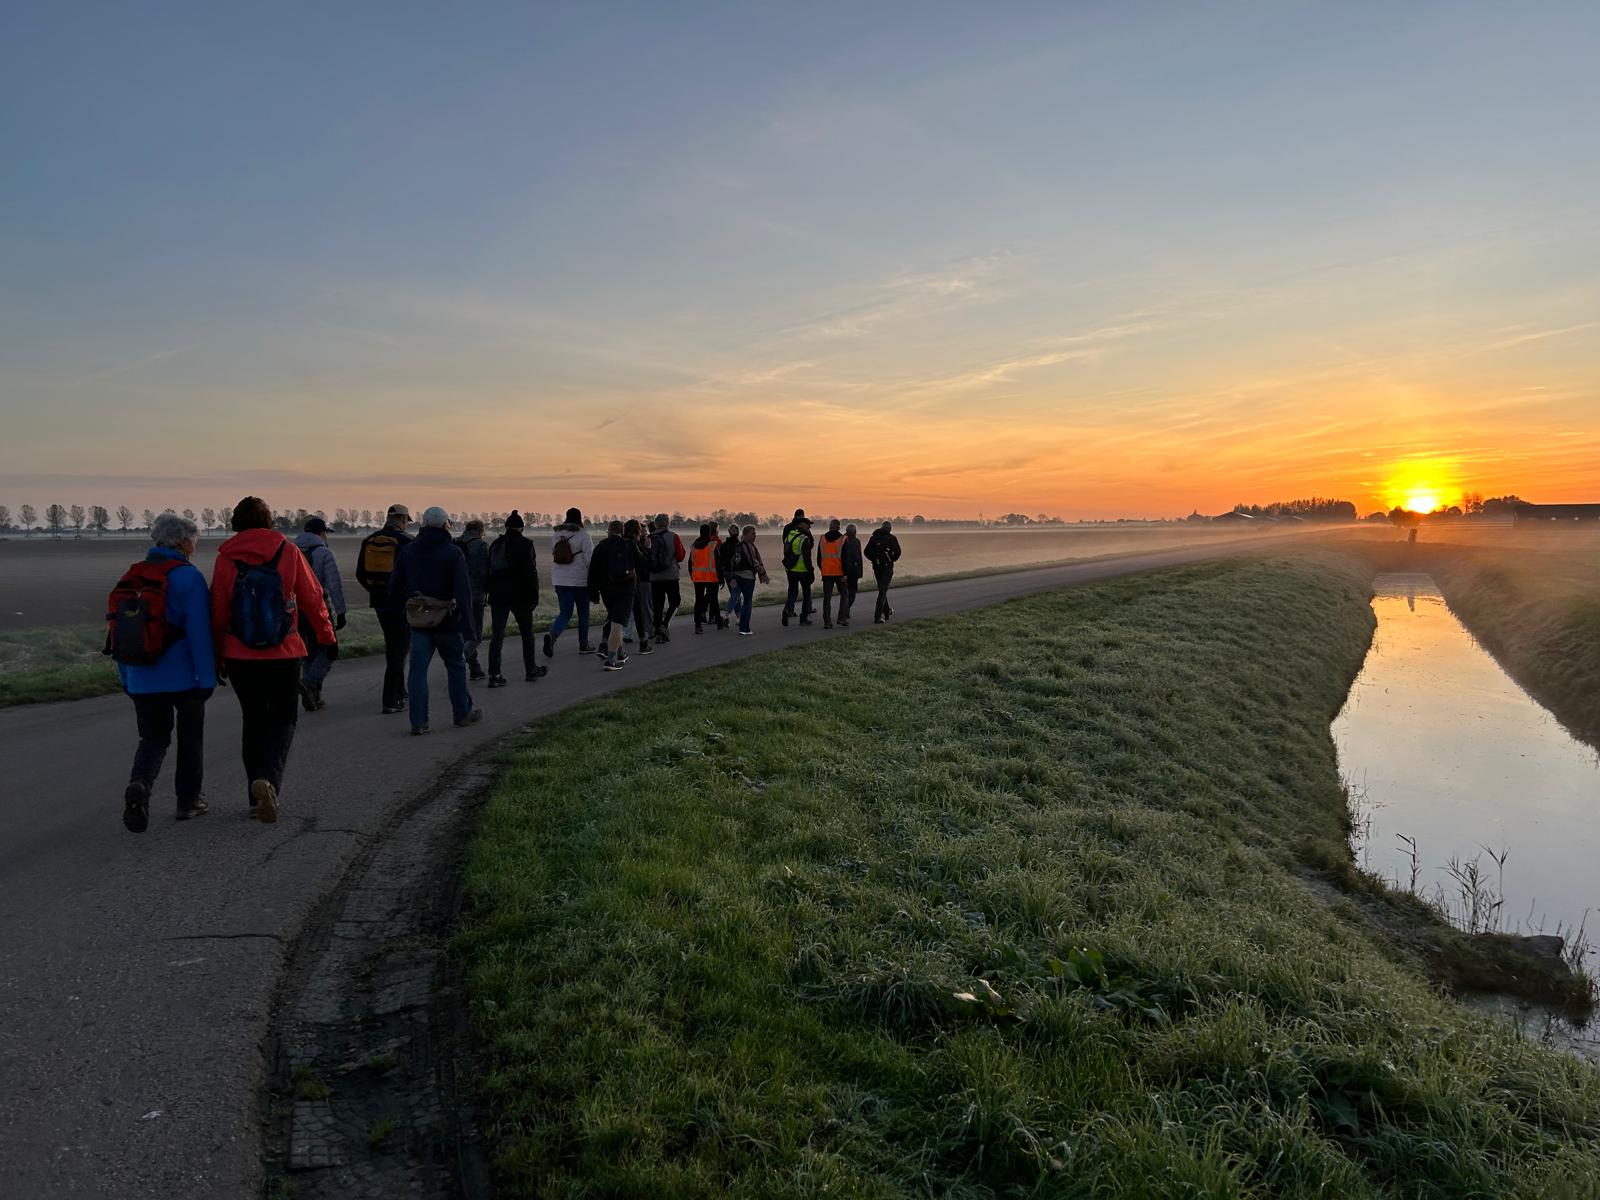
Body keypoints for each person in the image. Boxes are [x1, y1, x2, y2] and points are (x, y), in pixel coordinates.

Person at [210, 496, 336, 823]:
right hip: (284, 651)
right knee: (283, 719)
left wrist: (216, 654)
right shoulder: (288, 551)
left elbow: (219, 609)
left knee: (253, 720)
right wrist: (326, 635)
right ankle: (270, 781)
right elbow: (312, 597)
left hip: (240, 654)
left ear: (235, 522)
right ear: (269, 520)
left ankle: (254, 794)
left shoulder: (226, 557)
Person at [109, 512, 216, 832]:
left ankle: (140, 784)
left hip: (141, 675)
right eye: (193, 540)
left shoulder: (132, 576)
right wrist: (207, 679)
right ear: (182, 542)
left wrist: (126, 677)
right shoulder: (188, 577)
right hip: (185, 678)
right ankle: (188, 800)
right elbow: (200, 634)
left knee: (153, 738)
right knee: (190, 738)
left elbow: (120, 634)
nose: (194, 546)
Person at [389, 506, 482, 733]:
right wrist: (470, 628)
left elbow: (395, 586)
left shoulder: (408, 551)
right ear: (444, 525)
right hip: (447, 621)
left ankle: (419, 723)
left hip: (418, 620)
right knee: (456, 667)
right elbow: (463, 592)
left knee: (417, 672)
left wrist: (400, 611)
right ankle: (462, 714)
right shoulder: (452, 553)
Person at [356, 504, 413, 713]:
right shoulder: (407, 542)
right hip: (401, 604)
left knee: (393, 646)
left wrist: (375, 591)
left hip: (379, 603)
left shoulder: (369, 540)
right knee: (400, 649)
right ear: (404, 520)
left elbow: (360, 573)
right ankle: (390, 699)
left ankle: (400, 689)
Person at [484, 510, 547, 687]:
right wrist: (534, 595)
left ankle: (494, 675)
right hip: (520, 595)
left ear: (506, 527)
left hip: (498, 595)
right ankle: (531, 670)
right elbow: (530, 572)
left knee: (497, 635)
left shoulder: (496, 544)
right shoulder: (526, 544)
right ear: (522, 527)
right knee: (527, 634)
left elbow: (489, 570)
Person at [295, 515, 347, 710]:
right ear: (322, 533)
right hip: (318, 606)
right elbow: (334, 584)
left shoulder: (292, 550)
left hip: (295, 609)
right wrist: (340, 611)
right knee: (329, 649)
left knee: (310, 651)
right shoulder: (324, 553)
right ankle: (309, 683)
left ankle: (314, 697)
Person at [588, 519, 646, 671]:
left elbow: (592, 572)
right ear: (622, 531)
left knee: (615, 620)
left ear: (609, 530)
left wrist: (593, 593)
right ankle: (611, 660)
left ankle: (621, 653)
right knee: (618, 624)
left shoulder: (601, 547)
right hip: (626, 590)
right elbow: (643, 565)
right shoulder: (630, 545)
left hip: (607, 591)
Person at [544, 507, 595, 658]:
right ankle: (583, 644)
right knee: (583, 613)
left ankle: (553, 635)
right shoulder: (583, 535)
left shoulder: (556, 535)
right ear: (580, 518)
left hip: (560, 579)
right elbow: (589, 560)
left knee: (565, 612)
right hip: (579, 581)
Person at [456, 518, 491, 681]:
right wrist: (488, 589)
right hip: (475, 592)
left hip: (457, 593)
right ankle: (459, 661)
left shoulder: (456, 542)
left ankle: (475, 668)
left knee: (465, 632)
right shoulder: (481, 545)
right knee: (476, 634)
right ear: (480, 530)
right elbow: (484, 571)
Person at [726, 524, 770, 635]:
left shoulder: (738, 546)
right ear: (745, 535)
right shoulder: (749, 546)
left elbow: (733, 562)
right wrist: (763, 573)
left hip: (737, 576)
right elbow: (754, 561)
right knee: (747, 603)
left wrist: (733, 576)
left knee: (736, 596)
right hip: (747, 578)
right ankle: (745, 628)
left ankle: (729, 615)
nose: (755, 536)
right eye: (753, 534)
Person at [647, 513, 685, 641]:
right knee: (675, 602)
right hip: (671, 576)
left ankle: (658, 632)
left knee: (657, 605)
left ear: (656, 524)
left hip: (654, 577)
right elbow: (680, 557)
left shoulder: (649, 538)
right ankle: (665, 624)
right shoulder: (674, 537)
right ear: (668, 523)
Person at [780, 515, 816, 626]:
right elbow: (807, 558)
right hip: (802, 570)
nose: (809, 527)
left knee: (792, 591)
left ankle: (787, 609)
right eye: (808, 525)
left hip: (790, 570)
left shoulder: (790, 535)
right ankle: (803, 619)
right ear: (802, 525)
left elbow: (786, 549)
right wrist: (811, 571)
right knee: (806, 594)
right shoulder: (804, 539)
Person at [865, 520, 903, 623]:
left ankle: (886, 613)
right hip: (887, 567)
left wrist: (874, 559)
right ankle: (877, 617)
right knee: (882, 591)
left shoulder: (873, 538)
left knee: (882, 589)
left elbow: (866, 552)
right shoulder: (892, 538)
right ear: (889, 529)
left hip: (876, 567)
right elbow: (898, 552)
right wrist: (892, 559)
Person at [688, 523, 722, 634]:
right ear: (709, 533)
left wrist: (692, 575)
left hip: (698, 578)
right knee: (714, 600)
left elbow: (690, 563)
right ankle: (719, 622)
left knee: (698, 601)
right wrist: (721, 578)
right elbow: (718, 563)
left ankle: (698, 626)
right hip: (711, 577)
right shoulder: (712, 545)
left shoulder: (694, 546)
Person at [817, 518, 848, 629]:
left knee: (827, 598)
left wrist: (823, 569)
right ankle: (842, 618)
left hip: (826, 573)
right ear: (839, 527)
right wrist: (845, 574)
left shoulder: (822, 539)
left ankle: (827, 622)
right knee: (844, 595)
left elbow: (819, 559)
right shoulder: (844, 539)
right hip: (840, 573)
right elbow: (845, 559)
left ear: (829, 527)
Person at [840, 523, 865, 626]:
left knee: (846, 593)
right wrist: (860, 572)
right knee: (852, 593)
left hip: (843, 571)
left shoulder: (841, 540)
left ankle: (845, 611)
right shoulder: (856, 541)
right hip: (853, 571)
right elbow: (859, 558)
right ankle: (845, 611)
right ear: (855, 532)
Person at [717, 523, 741, 626]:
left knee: (734, 594)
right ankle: (735, 616)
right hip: (736, 573)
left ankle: (734, 616)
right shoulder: (739, 545)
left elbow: (720, 560)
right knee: (736, 594)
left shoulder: (723, 545)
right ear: (738, 533)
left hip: (726, 572)